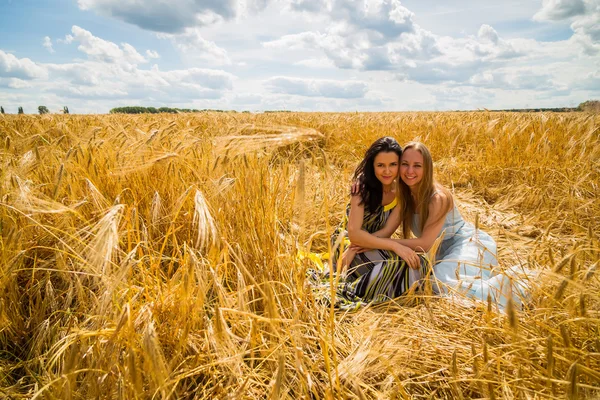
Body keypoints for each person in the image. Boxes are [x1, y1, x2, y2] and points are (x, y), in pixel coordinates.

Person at [374, 141, 531, 311]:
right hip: (440, 252)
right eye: (405, 164)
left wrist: (389, 244)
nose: (410, 171)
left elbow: (425, 244)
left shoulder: (438, 198)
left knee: (440, 280)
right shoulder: (404, 196)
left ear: (427, 168)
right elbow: (386, 232)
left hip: (468, 244)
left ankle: (517, 291)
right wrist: (357, 240)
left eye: (417, 165)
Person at [320, 137, 425, 309]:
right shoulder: (361, 187)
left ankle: (374, 285)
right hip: (347, 245)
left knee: (416, 262)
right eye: (380, 165)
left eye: (393, 164)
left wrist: (373, 243)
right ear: (372, 166)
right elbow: (353, 232)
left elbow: (386, 231)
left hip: (371, 244)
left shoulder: (401, 191)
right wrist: (395, 246)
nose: (387, 171)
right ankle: (360, 289)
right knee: (398, 264)